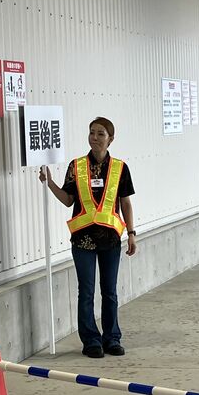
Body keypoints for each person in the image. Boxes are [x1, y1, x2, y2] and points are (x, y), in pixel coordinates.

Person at [39, 117, 137, 358]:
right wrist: (50, 183)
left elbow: (125, 202)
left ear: (110, 139)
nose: (95, 137)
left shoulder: (120, 168)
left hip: (111, 240)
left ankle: (112, 338)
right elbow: (68, 200)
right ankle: (91, 340)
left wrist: (132, 233)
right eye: (92, 132)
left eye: (101, 133)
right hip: (82, 240)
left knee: (110, 291)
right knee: (86, 291)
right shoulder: (77, 166)